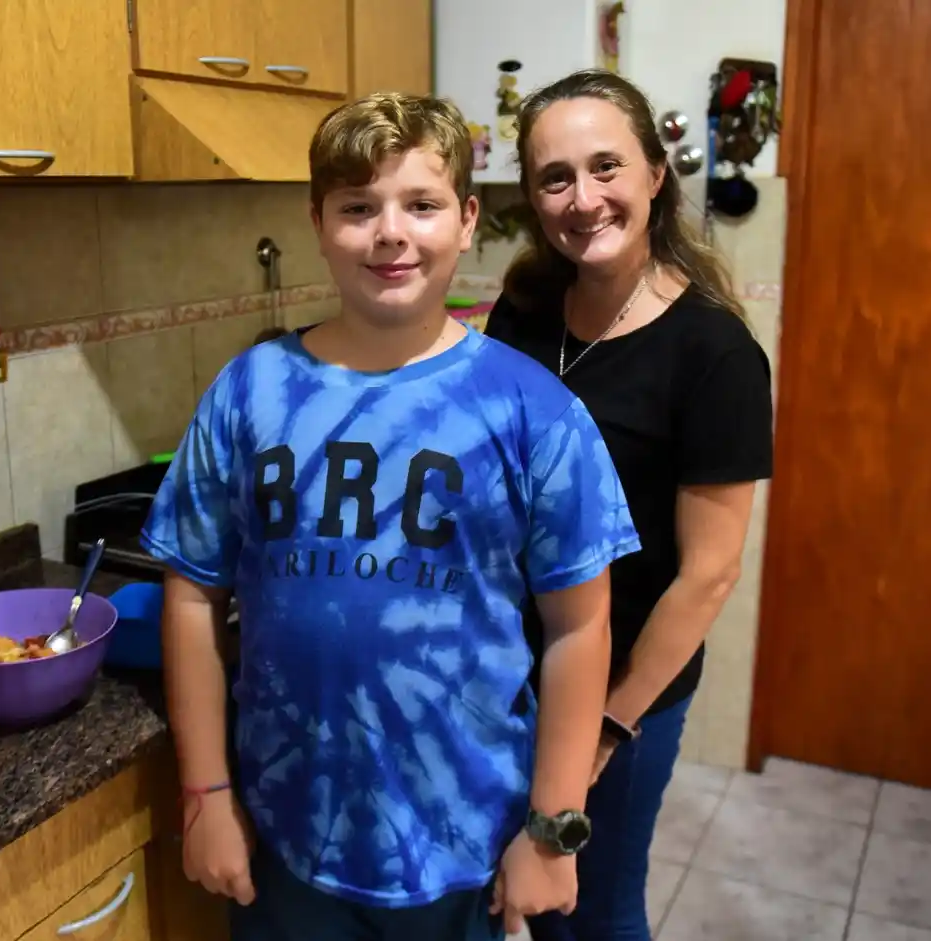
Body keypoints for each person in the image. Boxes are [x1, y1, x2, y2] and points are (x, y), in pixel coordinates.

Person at [140, 91, 644, 941]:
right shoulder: (249, 391)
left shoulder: (533, 411)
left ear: (468, 217)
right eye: (357, 208)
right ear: (317, 220)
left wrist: (552, 831)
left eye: (421, 204)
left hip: (462, 843)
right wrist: (206, 795)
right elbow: (191, 597)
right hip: (282, 836)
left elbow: (579, 629)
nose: (390, 233)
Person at [483, 69, 775, 941]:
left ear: (655, 174)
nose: (584, 198)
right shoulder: (528, 310)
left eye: (606, 166)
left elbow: (709, 575)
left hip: (626, 689)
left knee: (593, 912)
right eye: (555, 177)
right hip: (514, 670)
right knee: (520, 895)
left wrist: (610, 725)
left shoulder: (713, 353)